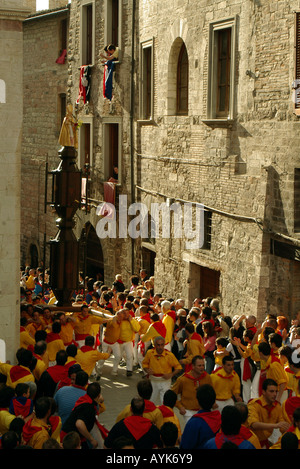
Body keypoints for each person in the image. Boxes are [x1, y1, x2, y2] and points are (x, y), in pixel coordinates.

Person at [61, 382, 106, 449]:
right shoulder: (89, 408)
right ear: (98, 395)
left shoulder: (84, 399)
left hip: (68, 435)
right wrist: (92, 439)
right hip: (71, 440)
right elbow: (79, 424)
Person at [247, 378, 290, 449]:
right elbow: (254, 424)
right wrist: (275, 425)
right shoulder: (254, 404)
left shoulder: (277, 407)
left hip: (264, 441)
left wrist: (287, 428)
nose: (275, 394)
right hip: (250, 442)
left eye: (276, 391)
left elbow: (282, 425)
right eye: (271, 391)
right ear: (263, 392)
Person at [171, 355, 212, 424]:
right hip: (188, 412)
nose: (202, 368)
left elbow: (211, 392)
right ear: (193, 366)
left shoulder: (207, 377)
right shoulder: (183, 379)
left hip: (204, 411)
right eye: (199, 366)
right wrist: (180, 406)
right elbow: (171, 395)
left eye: (203, 365)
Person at [142, 336, 182, 404]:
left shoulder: (169, 355)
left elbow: (178, 367)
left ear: (164, 345)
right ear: (154, 345)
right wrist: (147, 370)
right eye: (158, 345)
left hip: (165, 381)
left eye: (162, 345)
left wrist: (171, 374)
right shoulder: (149, 353)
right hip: (153, 381)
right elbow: (144, 364)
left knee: (165, 403)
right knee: (150, 402)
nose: (160, 347)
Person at [180, 384, 221, 449]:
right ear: (214, 400)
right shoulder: (220, 419)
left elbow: (186, 446)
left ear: (198, 401)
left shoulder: (194, 423)